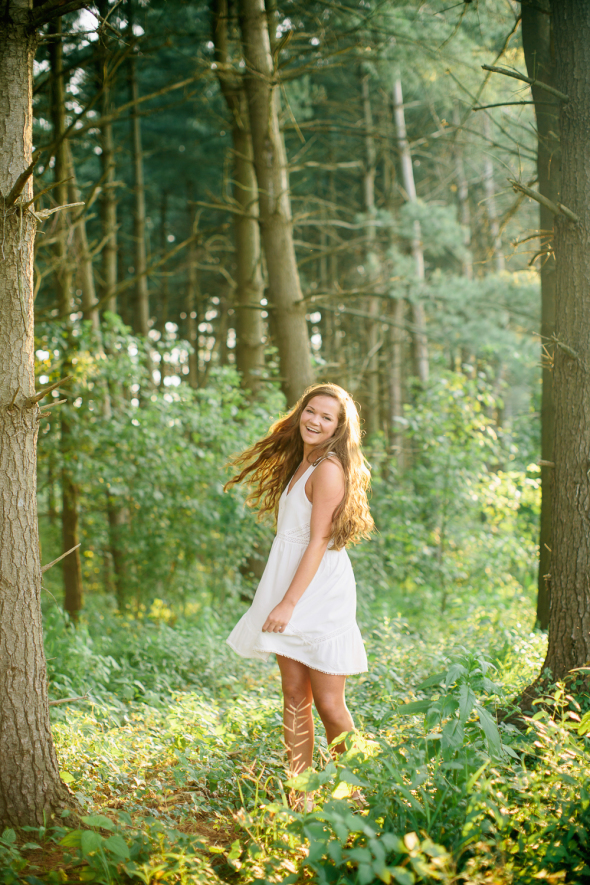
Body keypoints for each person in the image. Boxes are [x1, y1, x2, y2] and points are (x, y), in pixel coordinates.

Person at [225, 383, 374, 806]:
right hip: (290, 579)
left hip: (318, 591)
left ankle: (356, 794)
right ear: (300, 412)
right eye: (311, 411)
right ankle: (299, 796)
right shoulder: (305, 462)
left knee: (328, 702)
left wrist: (288, 604)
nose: (315, 421)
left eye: (328, 417)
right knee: (293, 694)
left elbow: (318, 541)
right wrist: (282, 597)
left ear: (340, 428)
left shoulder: (328, 468)